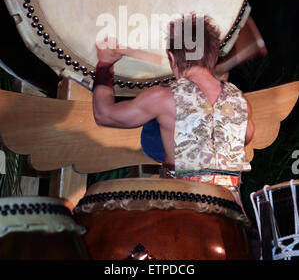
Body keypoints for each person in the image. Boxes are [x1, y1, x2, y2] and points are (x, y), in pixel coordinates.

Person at [92, 14, 254, 202]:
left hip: (185, 207)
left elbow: (104, 114)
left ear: (171, 57)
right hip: (232, 212)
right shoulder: (241, 102)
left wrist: (104, 65)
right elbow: (245, 138)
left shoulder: (164, 98)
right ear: (215, 55)